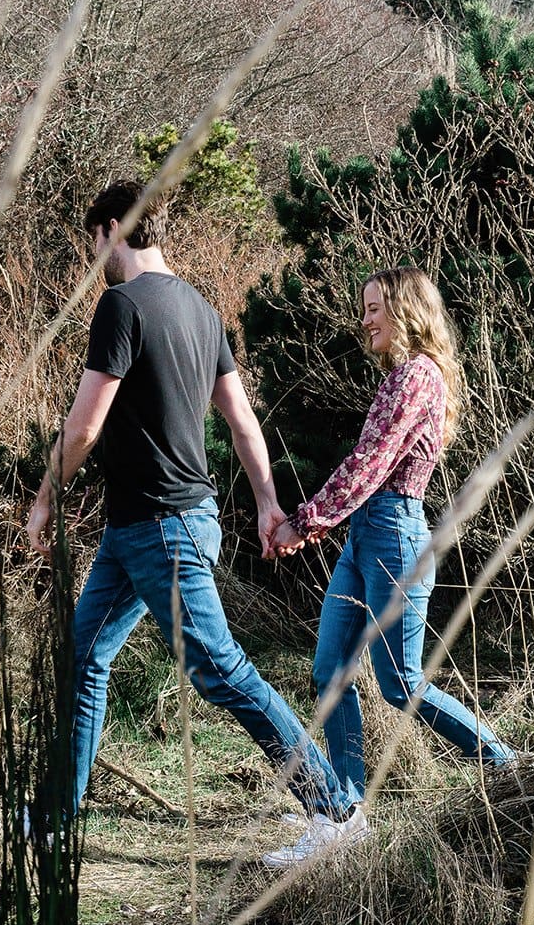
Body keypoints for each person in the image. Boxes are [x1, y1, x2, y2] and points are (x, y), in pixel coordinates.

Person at [25, 180, 364, 856]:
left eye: (94, 243)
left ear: (112, 229)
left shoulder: (120, 306)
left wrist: (43, 500)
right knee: (84, 657)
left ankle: (338, 813)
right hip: (151, 526)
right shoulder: (202, 311)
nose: (94, 259)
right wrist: (267, 502)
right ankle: (54, 821)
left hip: (163, 525)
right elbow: (242, 423)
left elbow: (85, 424)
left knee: (222, 671)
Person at [268, 267, 516, 850]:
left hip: (394, 537)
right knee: (330, 670)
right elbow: (366, 470)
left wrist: (305, 520)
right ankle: (345, 815)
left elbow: (369, 464)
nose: (365, 319)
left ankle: (508, 767)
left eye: (375, 307)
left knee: (401, 683)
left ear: (407, 309)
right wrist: (322, 522)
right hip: (366, 535)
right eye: (365, 307)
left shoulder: (417, 377)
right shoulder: (403, 377)